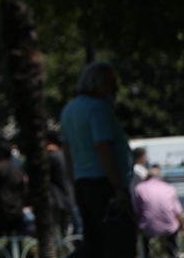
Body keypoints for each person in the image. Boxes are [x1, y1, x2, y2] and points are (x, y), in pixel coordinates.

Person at [61, 61, 137, 258]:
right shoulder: (98, 108)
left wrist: (73, 184)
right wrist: (118, 187)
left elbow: (67, 152)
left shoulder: (69, 110)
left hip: (84, 183)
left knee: (94, 240)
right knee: (118, 241)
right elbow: (103, 147)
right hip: (104, 184)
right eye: (111, 82)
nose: (116, 88)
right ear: (99, 83)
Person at [134, 165, 184, 258]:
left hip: (148, 230)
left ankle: (146, 254)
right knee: (172, 230)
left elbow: (137, 212)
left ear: (147, 176)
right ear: (160, 177)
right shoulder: (169, 188)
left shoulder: (139, 188)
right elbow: (178, 213)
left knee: (144, 237)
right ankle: (173, 253)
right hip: (168, 229)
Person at [0, 142, 28, 240]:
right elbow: (24, 188)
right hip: (17, 207)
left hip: (1, 209)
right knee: (18, 237)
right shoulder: (18, 168)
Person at [46, 131, 77, 237]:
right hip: (69, 197)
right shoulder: (64, 154)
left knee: (58, 230)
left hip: (59, 200)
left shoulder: (52, 156)